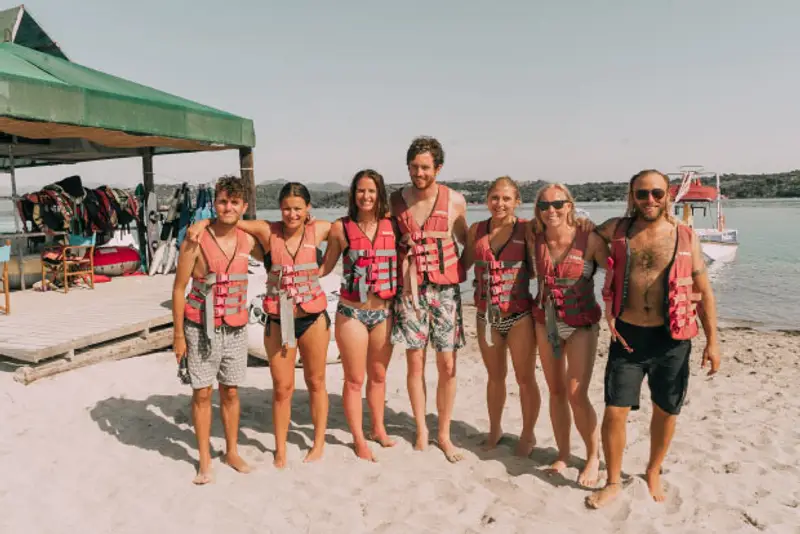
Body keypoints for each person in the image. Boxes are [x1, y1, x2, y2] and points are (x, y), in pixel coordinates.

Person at [586, 169, 721, 508]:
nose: (649, 200)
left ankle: (653, 469)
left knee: (666, 410)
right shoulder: (616, 230)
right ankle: (614, 480)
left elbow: (704, 293)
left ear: (668, 196)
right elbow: (579, 232)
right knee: (615, 411)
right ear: (632, 196)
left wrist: (713, 343)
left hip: (671, 339)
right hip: (628, 337)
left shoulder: (685, 237)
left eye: (657, 194)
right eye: (642, 194)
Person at [187, 183, 333, 468]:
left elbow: (350, 228)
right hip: (279, 319)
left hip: (313, 319)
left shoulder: (322, 229)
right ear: (280, 209)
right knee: (282, 388)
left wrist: (329, 264)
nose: (292, 214)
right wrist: (203, 221)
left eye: (298, 209)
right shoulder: (267, 232)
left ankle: (318, 443)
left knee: (316, 382)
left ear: (308, 210)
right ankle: (280, 449)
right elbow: (232, 220)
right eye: (287, 208)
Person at [172, 176, 257, 484]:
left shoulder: (248, 240)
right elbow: (179, 287)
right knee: (203, 392)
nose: (228, 207)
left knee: (231, 391)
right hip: (200, 327)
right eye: (222, 201)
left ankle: (231, 450)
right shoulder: (195, 240)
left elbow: (281, 236)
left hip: (235, 327)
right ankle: (205, 458)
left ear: (244, 206)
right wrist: (178, 335)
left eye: (235, 202)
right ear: (214, 204)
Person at [390, 136, 468, 462]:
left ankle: (444, 433)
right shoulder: (395, 202)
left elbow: (470, 243)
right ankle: (421, 428)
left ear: (438, 167)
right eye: (414, 167)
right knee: (414, 361)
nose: (419, 173)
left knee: (448, 364)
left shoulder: (455, 201)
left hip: (445, 290)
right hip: (410, 290)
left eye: (425, 167)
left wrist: (457, 272)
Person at [531, 183, 608, 488]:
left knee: (577, 393)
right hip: (545, 322)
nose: (551, 210)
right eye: (544, 205)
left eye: (558, 204)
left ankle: (593, 456)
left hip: (581, 324)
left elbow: (618, 275)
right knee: (555, 391)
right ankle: (563, 453)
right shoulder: (533, 237)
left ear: (569, 206)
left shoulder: (589, 239)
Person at [320, 169, 398, 461]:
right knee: (354, 379)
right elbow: (326, 267)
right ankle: (358, 439)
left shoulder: (393, 226)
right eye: (360, 191)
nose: (366, 196)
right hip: (352, 313)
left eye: (371, 191)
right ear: (353, 194)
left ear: (380, 194)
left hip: (384, 313)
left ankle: (378, 428)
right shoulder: (341, 228)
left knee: (378, 376)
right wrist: (295, 274)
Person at [460, 176, 541, 457]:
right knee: (495, 377)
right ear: (486, 200)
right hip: (486, 316)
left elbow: (547, 257)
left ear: (517, 201)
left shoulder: (528, 230)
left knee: (525, 378)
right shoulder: (476, 230)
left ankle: (528, 433)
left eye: (507, 198)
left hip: (519, 315)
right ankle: (495, 429)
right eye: (495, 197)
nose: (500, 203)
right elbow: (462, 266)